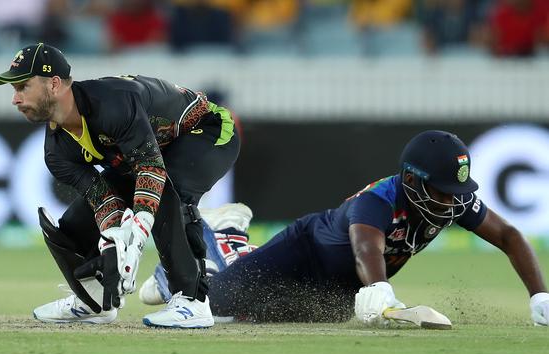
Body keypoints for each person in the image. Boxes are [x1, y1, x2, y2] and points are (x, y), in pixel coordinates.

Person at [141, 130, 549, 326]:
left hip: (336, 291)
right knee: (214, 309)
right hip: (300, 256)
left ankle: (229, 242)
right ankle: (198, 252)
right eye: (441, 191)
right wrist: (378, 288)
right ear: (411, 180)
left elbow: (510, 236)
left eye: (456, 191)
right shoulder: (378, 200)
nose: (451, 201)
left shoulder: (453, 199)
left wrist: (539, 296)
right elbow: (365, 247)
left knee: (295, 318)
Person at [0, 43, 240, 328]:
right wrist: (112, 242)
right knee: (73, 224)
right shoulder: (56, 152)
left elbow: (151, 169)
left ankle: (193, 300)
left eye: (22, 87)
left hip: (206, 130)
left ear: (54, 84)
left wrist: (135, 238)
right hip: (151, 155)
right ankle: (95, 301)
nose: (15, 99)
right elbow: (104, 200)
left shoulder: (112, 104)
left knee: (167, 190)